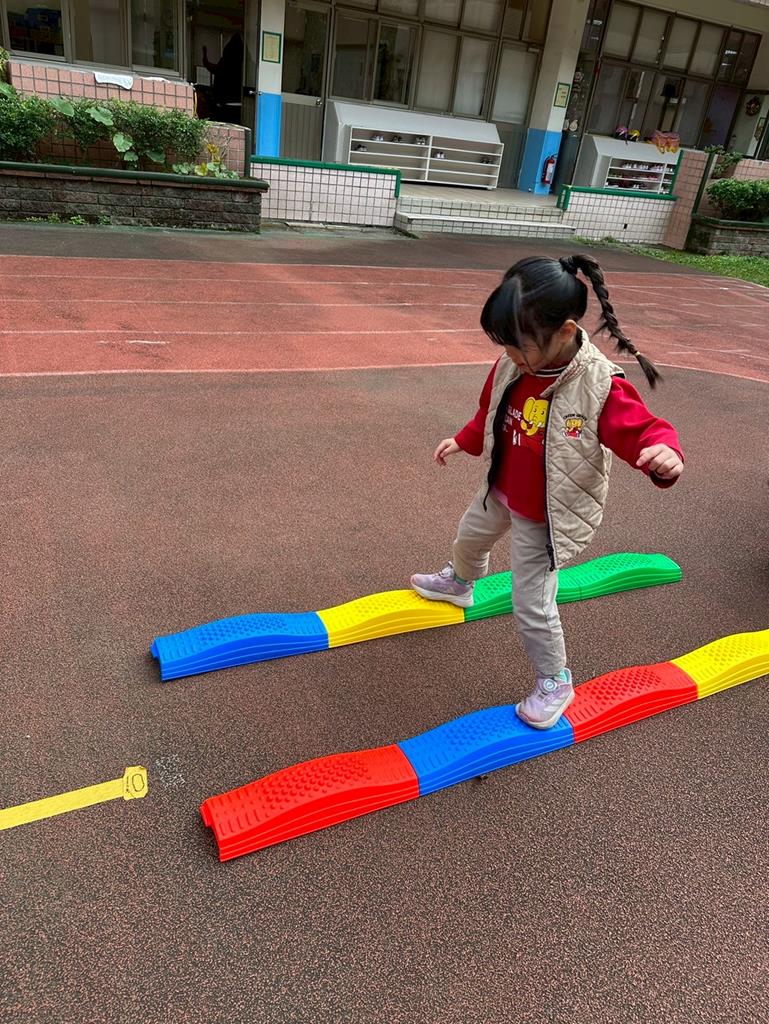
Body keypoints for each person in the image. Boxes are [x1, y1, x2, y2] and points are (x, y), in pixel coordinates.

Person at [410, 254, 684, 731]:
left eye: (520, 347)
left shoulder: (598, 386)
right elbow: (490, 410)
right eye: (506, 345)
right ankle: (461, 584)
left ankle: (555, 680)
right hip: (501, 487)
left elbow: (643, 429)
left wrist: (663, 452)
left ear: (565, 331)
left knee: (531, 602)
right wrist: (465, 439)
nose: (511, 356)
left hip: (546, 514)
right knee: (469, 537)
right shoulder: (512, 364)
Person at [202, 32, 244, 122]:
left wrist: (204, 55)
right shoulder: (245, 64)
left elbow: (210, 67)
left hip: (223, 103)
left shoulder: (225, 61)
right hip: (240, 105)